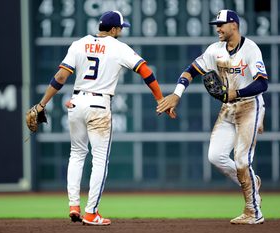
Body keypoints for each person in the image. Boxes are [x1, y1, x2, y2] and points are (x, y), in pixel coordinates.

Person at [31, 10, 174, 226]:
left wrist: (42, 104)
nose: (121, 32)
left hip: (76, 103)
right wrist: (160, 98)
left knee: (77, 155)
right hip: (99, 105)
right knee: (99, 160)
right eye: (120, 28)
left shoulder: (79, 44)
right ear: (114, 29)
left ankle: (73, 206)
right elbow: (146, 71)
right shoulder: (118, 47)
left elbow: (61, 76)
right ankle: (91, 213)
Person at [156, 9, 268, 224]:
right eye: (217, 25)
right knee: (215, 156)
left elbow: (262, 83)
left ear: (234, 25)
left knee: (242, 161)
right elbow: (190, 71)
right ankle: (252, 183)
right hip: (228, 109)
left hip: (249, 107)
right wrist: (177, 94)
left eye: (221, 24)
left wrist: (237, 92)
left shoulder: (251, 49)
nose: (217, 28)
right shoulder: (214, 50)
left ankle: (253, 212)